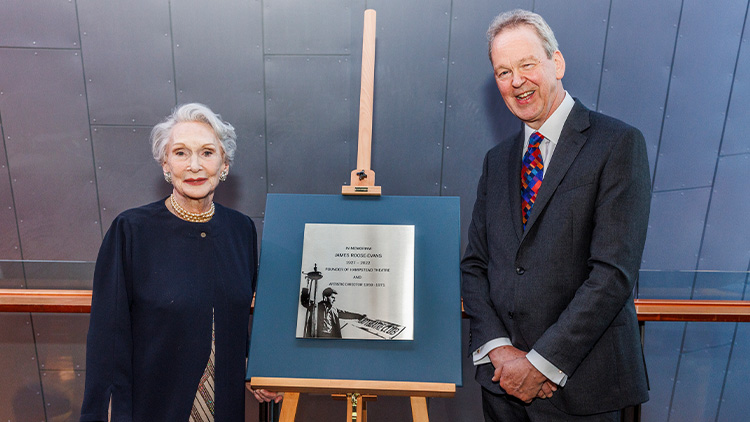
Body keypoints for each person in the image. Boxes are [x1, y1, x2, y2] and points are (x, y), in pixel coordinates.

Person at [461, 9, 650, 421]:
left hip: (586, 391)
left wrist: (541, 363)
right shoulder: (497, 161)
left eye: (527, 64)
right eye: (503, 71)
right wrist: (500, 350)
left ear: (557, 63)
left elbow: (612, 274)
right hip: (501, 385)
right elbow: (475, 266)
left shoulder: (618, 144)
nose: (516, 81)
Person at [80, 103, 280, 421]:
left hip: (224, 408)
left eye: (207, 153)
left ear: (225, 165)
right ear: (165, 165)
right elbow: (108, 340)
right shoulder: (131, 231)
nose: (195, 166)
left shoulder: (241, 230)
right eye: (181, 153)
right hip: (153, 408)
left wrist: (258, 371)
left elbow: (236, 323)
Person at [301, 287, 365, 338]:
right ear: (325, 297)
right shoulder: (316, 306)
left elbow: (347, 314)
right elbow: (305, 302)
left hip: (331, 337)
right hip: (318, 337)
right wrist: (306, 290)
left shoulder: (335, 310)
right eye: (332, 297)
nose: (334, 300)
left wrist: (359, 316)